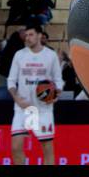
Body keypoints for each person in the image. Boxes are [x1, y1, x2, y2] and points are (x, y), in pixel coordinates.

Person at [7, 24, 62, 165]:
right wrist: (17, 99)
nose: (28, 38)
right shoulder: (19, 55)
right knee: (15, 147)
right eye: (26, 35)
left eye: (31, 35)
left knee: (47, 149)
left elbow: (58, 81)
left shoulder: (50, 55)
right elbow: (11, 81)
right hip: (22, 108)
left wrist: (55, 96)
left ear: (39, 35)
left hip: (43, 109)